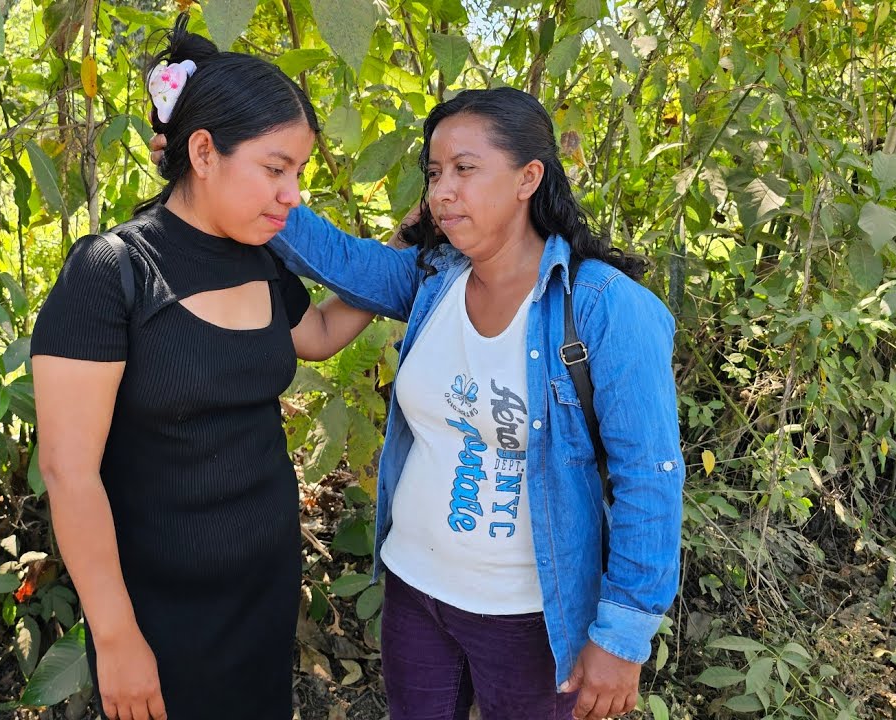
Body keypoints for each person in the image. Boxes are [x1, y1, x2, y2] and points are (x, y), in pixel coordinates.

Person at [155, 86, 683, 719]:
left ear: (528, 178)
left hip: (528, 616)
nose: (442, 191)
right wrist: (227, 175)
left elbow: (649, 476)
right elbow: (337, 259)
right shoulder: (435, 278)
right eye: (434, 174)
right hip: (415, 594)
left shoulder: (606, 308)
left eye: (465, 169)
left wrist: (622, 636)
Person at [29, 15, 373, 720]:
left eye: (298, 173)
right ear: (204, 151)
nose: (293, 194)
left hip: (264, 589)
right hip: (160, 612)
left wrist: (404, 257)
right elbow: (69, 472)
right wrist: (115, 636)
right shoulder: (113, 271)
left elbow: (317, 334)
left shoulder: (261, 257)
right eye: (275, 169)